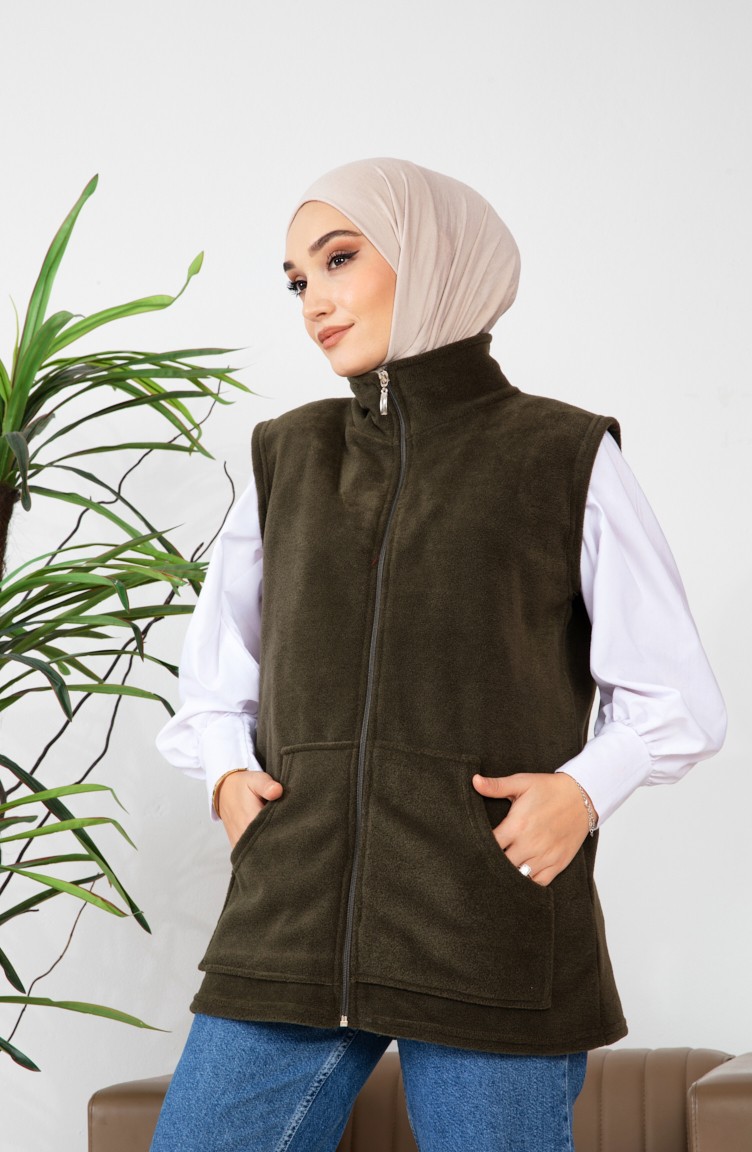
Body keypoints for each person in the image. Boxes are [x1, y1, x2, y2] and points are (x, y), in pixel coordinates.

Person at [151, 158, 726, 1151]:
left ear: (430, 257)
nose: (313, 301)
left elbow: (675, 696)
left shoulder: (560, 454)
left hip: (483, 916)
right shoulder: (288, 456)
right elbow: (215, 677)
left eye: (338, 259)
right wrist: (229, 781)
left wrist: (582, 791)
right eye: (296, 280)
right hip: (290, 920)